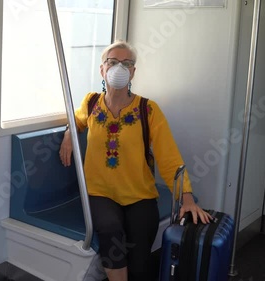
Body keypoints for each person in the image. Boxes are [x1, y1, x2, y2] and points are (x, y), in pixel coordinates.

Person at [59, 40, 212, 281]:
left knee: (140, 264)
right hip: (100, 192)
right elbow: (76, 120)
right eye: (112, 62)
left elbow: (168, 156)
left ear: (133, 72)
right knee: (110, 231)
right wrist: (69, 132)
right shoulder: (90, 103)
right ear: (102, 69)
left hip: (140, 194)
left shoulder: (148, 110)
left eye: (126, 63)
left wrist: (187, 198)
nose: (119, 68)